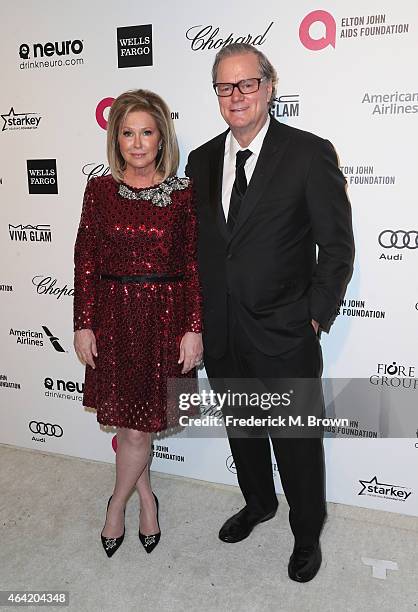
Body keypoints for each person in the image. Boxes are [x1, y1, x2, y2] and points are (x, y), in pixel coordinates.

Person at [186, 43, 354, 582]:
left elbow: (338, 246)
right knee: (243, 432)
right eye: (225, 87)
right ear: (217, 95)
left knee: (297, 444)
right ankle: (258, 502)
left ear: (268, 86)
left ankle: (307, 534)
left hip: (285, 332)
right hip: (223, 332)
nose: (236, 96)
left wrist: (314, 314)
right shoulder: (202, 159)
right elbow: (205, 248)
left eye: (246, 84)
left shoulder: (308, 153)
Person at [73, 89, 203, 558]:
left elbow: (193, 263)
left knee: (138, 427)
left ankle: (117, 505)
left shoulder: (184, 194)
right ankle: (144, 498)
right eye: (128, 133)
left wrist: (193, 326)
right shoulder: (99, 190)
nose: (138, 142)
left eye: (147, 132)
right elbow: (85, 258)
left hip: (163, 319)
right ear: (116, 138)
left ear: (162, 137)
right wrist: (83, 323)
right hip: (114, 315)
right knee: (133, 427)